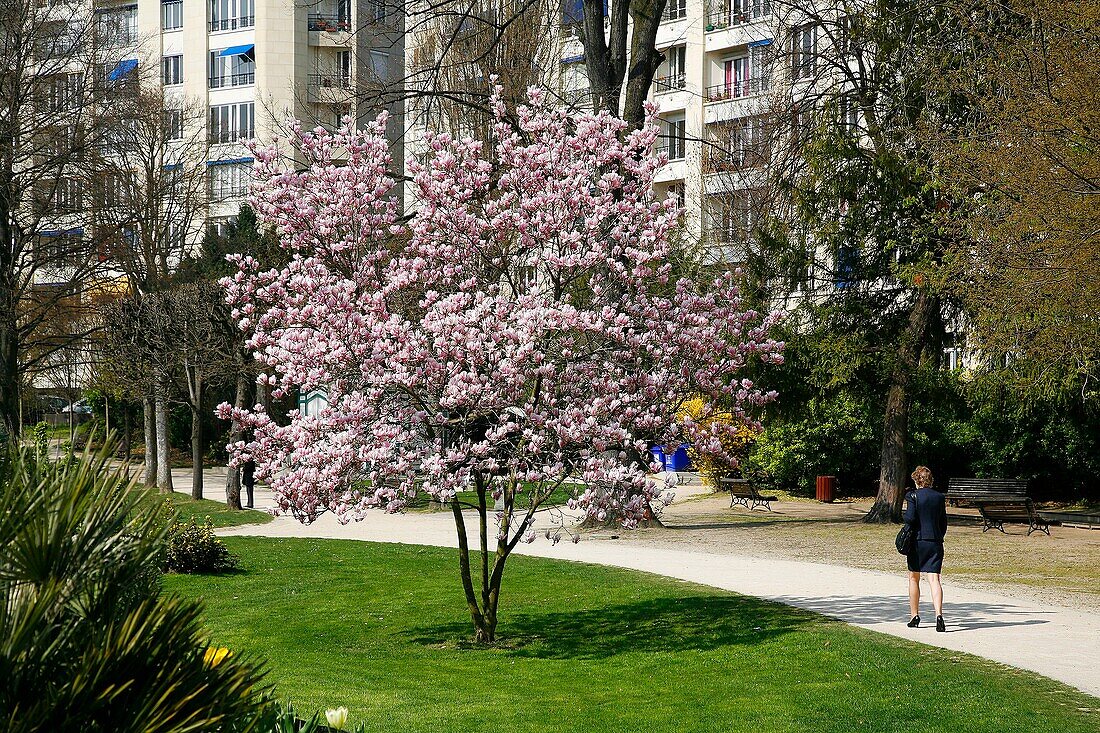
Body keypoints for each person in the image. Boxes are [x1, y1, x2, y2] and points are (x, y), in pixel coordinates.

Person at [904, 465, 948, 632]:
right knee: (934, 579)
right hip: (935, 541)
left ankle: (914, 616)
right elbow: (943, 523)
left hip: (917, 542)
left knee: (914, 578)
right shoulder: (939, 497)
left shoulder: (912, 496)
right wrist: (938, 536)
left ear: (917, 480)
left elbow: (910, 519)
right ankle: (939, 615)